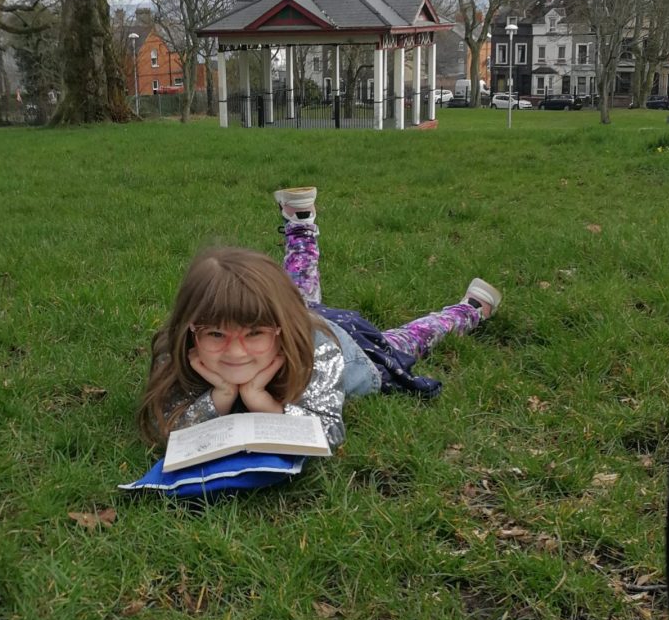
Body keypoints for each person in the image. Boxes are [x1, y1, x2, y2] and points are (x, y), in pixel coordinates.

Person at [138, 187, 501, 449]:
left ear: (278, 332)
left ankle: (467, 310)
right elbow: (162, 423)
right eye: (216, 335)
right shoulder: (179, 347)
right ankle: (300, 221)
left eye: (253, 335)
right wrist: (220, 395)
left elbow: (329, 430)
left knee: (407, 340)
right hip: (295, 316)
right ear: (190, 327)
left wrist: (259, 400)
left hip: (352, 348)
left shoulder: (316, 351)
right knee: (297, 292)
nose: (236, 352)